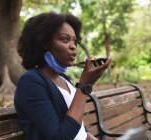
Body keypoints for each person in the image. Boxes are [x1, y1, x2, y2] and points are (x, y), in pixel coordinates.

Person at [14, 11, 111, 140]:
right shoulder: (31, 82)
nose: (73, 46)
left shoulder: (64, 79)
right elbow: (59, 137)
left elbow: (78, 126)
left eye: (74, 41)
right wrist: (84, 86)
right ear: (45, 43)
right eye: (65, 39)